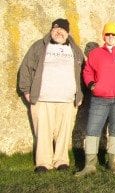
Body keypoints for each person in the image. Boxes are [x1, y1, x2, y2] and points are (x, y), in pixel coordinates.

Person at [18, 18, 84, 173]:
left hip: (68, 99)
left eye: (62, 30)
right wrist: (26, 91)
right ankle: (43, 163)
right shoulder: (39, 46)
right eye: (55, 29)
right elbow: (26, 68)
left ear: (67, 33)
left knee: (64, 132)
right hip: (42, 98)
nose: (59, 32)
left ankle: (61, 161)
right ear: (51, 30)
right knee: (43, 131)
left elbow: (82, 72)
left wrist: (79, 94)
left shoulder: (75, 49)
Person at [75, 22, 115, 177]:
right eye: (108, 34)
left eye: (113, 34)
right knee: (92, 130)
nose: (110, 37)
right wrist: (92, 86)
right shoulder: (95, 53)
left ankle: (111, 162)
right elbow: (87, 72)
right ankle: (90, 165)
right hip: (99, 99)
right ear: (104, 36)